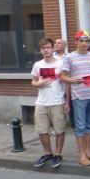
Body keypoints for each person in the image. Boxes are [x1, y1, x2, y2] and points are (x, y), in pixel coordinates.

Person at [60, 30, 90, 167]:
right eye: (81, 40)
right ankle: (82, 155)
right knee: (80, 125)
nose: (84, 43)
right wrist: (73, 80)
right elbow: (63, 76)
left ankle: (88, 152)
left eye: (86, 41)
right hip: (78, 96)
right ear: (76, 42)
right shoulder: (69, 57)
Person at [31, 37, 68, 168]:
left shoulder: (61, 63)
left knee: (59, 129)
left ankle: (58, 154)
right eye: (43, 48)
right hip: (41, 102)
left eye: (48, 47)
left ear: (53, 49)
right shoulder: (38, 65)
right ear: (40, 50)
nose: (45, 50)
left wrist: (67, 102)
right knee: (42, 130)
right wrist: (38, 83)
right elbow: (33, 81)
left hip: (57, 101)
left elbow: (67, 83)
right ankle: (48, 153)